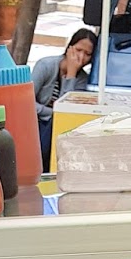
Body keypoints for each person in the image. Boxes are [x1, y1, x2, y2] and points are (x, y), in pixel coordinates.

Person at [32, 26, 97, 166]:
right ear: (69, 48)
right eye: (78, 50)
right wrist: (51, 113)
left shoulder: (82, 79)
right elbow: (27, 102)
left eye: (87, 54)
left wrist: (71, 74)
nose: (81, 57)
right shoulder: (45, 65)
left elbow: (66, 110)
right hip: (35, 121)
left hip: (55, 126)